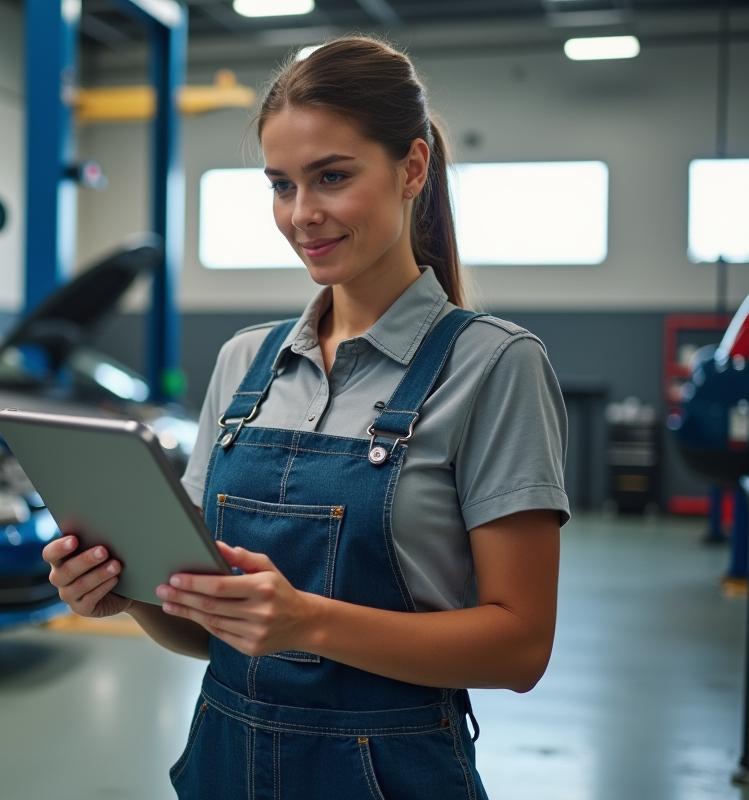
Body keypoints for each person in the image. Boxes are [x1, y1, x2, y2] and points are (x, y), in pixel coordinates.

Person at [43, 35, 566, 799]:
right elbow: (210, 627)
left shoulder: (493, 366)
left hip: (391, 776)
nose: (301, 215)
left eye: (331, 177)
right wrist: (129, 594)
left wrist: (308, 624)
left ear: (412, 168)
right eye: (280, 185)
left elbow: (520, 646)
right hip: (223, 762)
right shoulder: (243, 364)